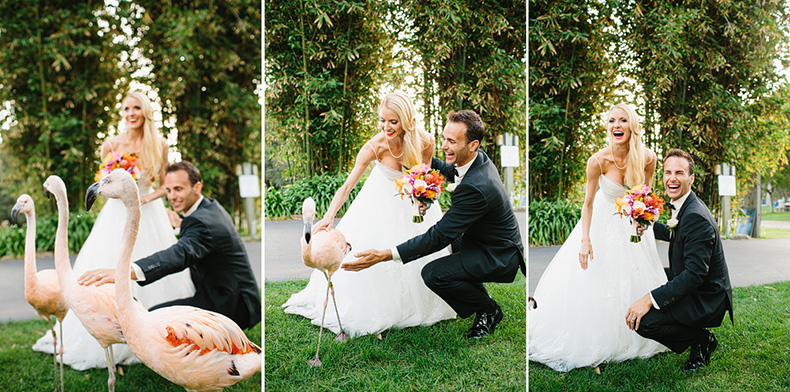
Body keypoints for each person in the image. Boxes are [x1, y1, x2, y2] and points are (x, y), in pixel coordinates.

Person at [32, 91, 196, 370]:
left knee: (153, 270)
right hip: (115, 215)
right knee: (105, 269)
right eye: (126, 108)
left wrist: (144, 198)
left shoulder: (161, 145)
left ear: (145, 112)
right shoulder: (110, 144)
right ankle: (106, 333)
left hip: (148, 213)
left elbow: (164, 185)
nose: (131, 113)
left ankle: (155, 337)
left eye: (136, 108)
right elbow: (102, 185)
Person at [282, 91, 457, 337]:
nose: (386, 126)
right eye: (382, 120)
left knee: (422, 248)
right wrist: (330, 216)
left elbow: (423, 176)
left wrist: (423, 201)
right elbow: (346, 187)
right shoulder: (374, 146)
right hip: (379, 203)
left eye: (393, 121)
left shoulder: (425, 140)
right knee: (374, 251)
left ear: (406, 120)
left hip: (413, 205)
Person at [344, 109, 525, 340]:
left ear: (473, 144)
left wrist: (385, 254)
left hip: (498, 254)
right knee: (447, 258)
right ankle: (475, 291)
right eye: (444, 140)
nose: (445, 146)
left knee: (434, 273)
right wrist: (416, 160)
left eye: (452, 141)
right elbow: (450, 170)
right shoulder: (478, 159)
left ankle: (489, 309)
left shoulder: (477, 187)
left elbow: (439, 236)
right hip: (482, 238)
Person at [528, 103, 669, 372]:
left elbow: (646, 197)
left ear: (633, 126)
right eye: (612, 121)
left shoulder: (648, 158)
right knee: (597, 278)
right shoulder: (597, 161)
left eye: (623, 120)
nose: (616, 125)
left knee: (634, 276)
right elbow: (588, 204)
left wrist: (643, 222)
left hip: (633, 227)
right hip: (602, 224)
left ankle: (637, 330)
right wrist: (585, 239)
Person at [79, 161, 262, 331]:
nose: (172, 196)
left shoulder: (202, 223)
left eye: (178, 189)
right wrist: (182, 224)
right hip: (226, 293)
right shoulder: (209, 207)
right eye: (168, 190)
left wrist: (123, 272)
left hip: (230, 304)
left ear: (197, 187)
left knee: (151, 317)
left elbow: (179, 254)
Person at [626, 148, 733, 371]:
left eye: (679, 173)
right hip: (697, 284)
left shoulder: (695, 216)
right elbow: (679, 234)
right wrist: (651, 226)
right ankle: (694, 335)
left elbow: (694, 275)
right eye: (667, 172)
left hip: (706, 296)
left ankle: (701, 340)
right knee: (645, 273)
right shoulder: (687, 205)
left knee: (645, 323)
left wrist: (648, 299)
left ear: (691, 178)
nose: (671, 178)